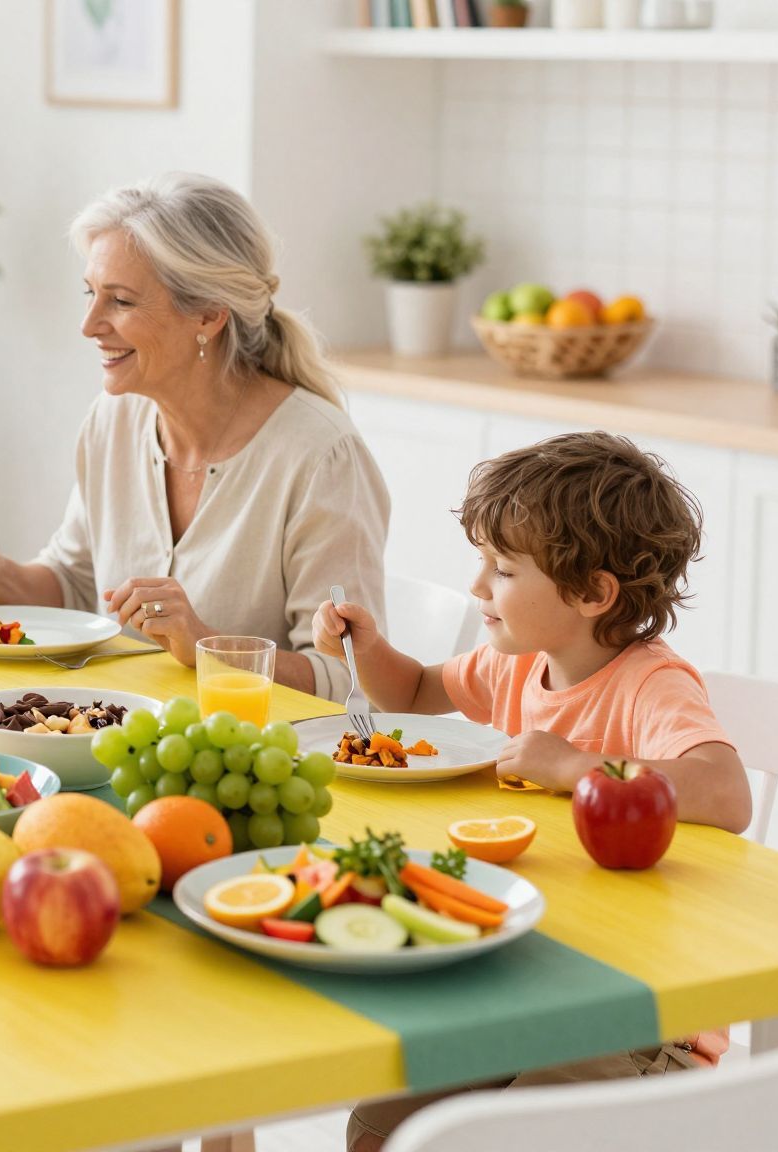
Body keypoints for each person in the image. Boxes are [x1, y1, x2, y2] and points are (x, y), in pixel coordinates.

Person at [314, 431, 751, 1150]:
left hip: (639, 1017)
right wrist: (366, 649)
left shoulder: (651, 682)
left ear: (591, 592)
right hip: (532, 986)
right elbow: (419, 690)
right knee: (382, 1127)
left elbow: (726, 792)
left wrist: (577, 764)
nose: (477, 587)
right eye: (481, 563)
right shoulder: (517, 663)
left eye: (503, 570)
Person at [0, 172, 388, 701]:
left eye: (120, 301)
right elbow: (75, 582)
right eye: (90, 293)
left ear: (209, 315)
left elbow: (351, 681)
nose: (88, 324)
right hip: (114, 731)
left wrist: (208, 646)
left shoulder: (321, 457)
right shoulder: (113, 420)